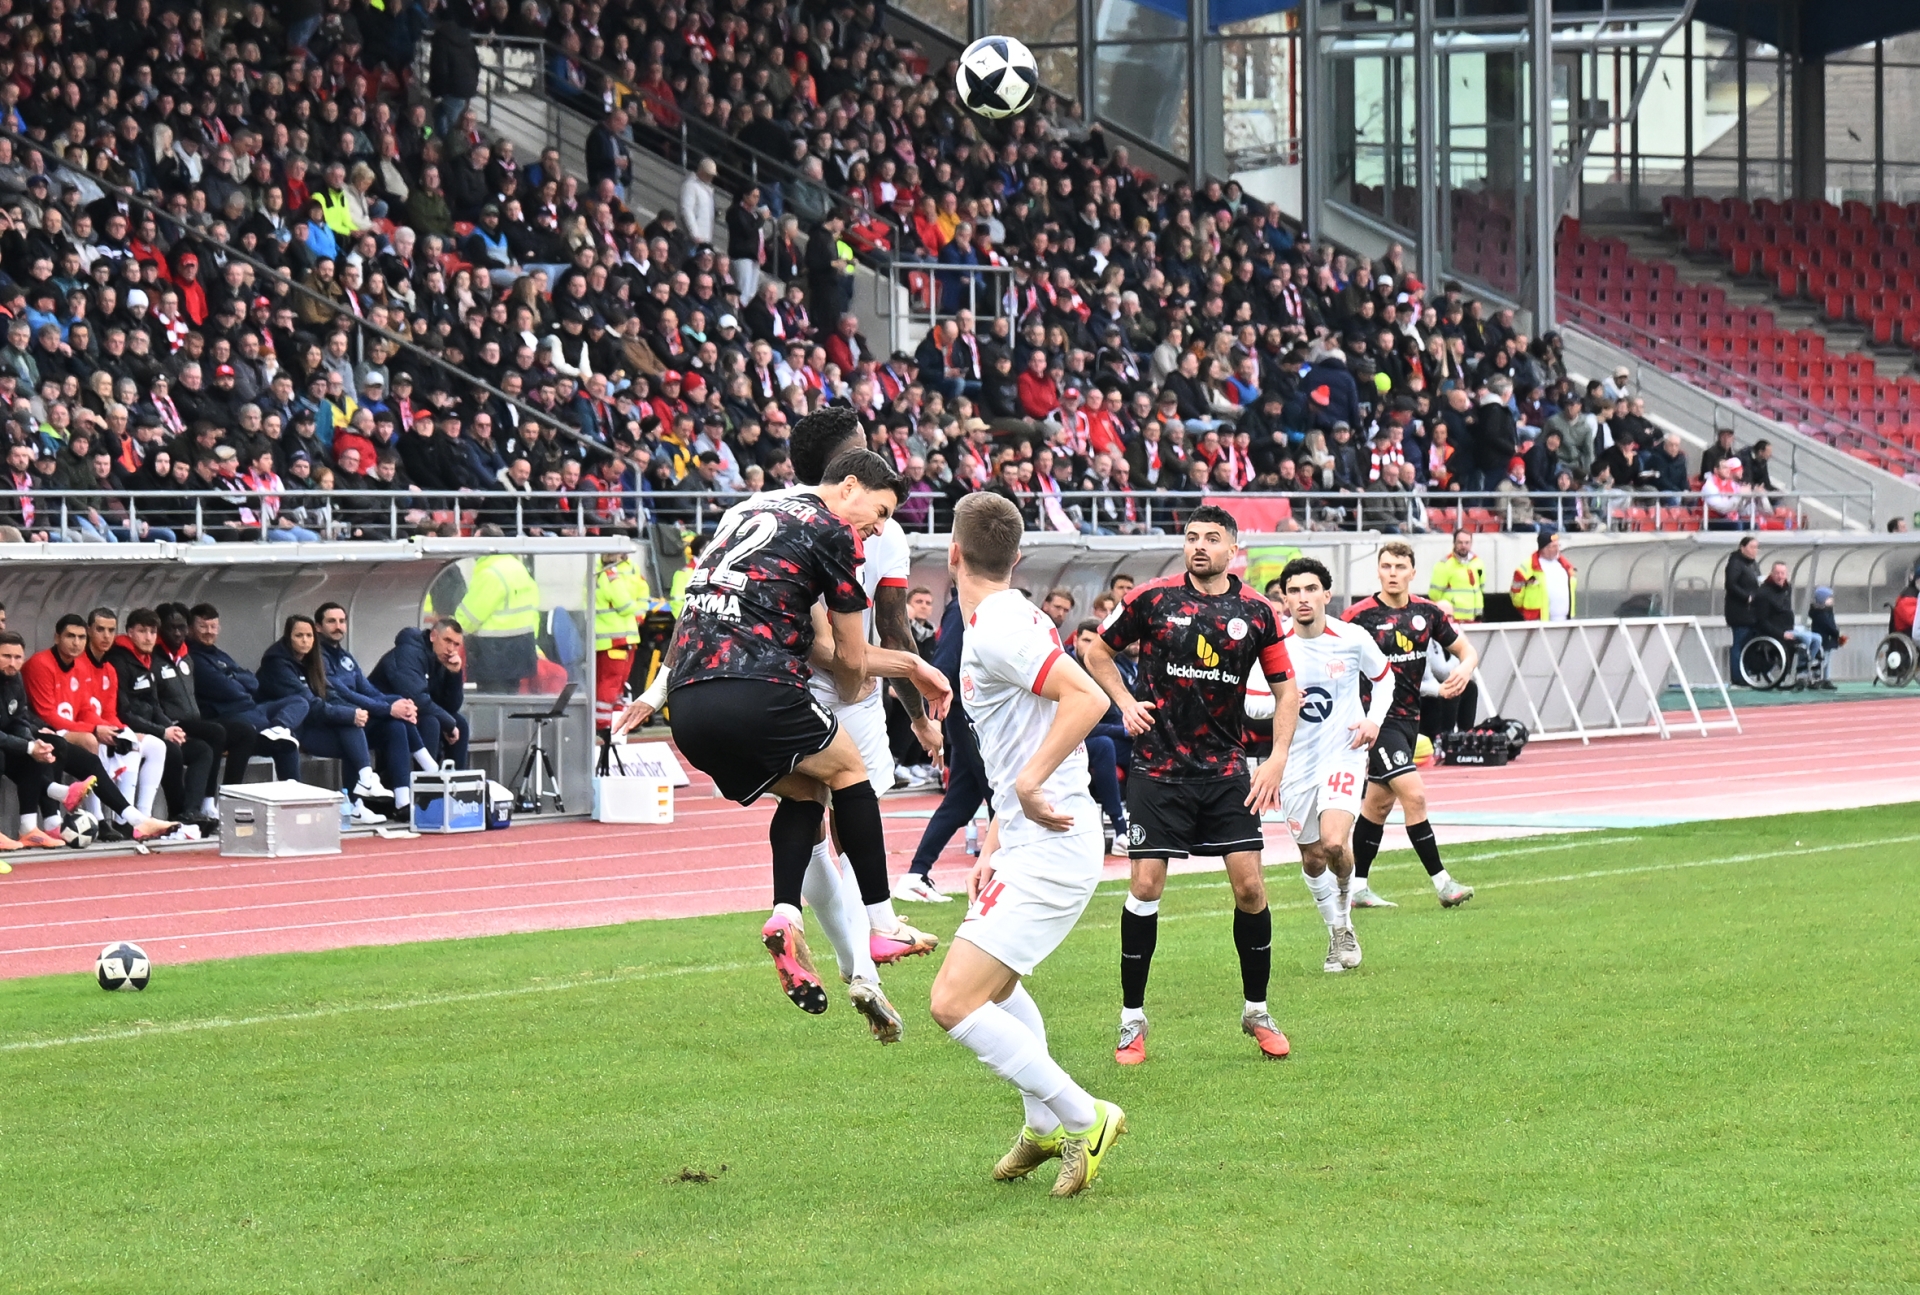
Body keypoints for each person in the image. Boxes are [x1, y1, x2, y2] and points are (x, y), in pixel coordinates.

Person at [626, 445, 949, 1036]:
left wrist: (654, 692)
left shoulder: (748, 512)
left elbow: (696, 611)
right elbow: (847, 662)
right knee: (849, 771)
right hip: (758, 689)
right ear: (848, 485)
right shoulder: (836, 532)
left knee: (806, 791)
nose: (879, 528)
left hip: (688, 707)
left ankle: (784, 913)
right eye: (879, 512)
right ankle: (881, 922)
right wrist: (910, 666)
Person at [926, 491, 1128, 1198]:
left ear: (953, 554)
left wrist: (1030, 784)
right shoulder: (1006, 616)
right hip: (1027, 838)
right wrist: (994, 836)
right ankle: (1042, 1124)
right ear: (1016, 558)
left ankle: (1085, 1115)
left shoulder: (998, 627)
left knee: (953, 1001)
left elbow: (1088, 699)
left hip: (1053, 840)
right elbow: (1015, 736)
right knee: (1000, 986)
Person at [1079, 505, 1301, 1065]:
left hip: (1226, 770)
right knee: (1145, 887)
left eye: (1212, 538)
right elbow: (1096, 650)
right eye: (1192, 537)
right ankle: (1132, 1020)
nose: (1200, 545)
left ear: (1233, 548)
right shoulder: (1152, 599)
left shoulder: (1257, 612)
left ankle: (1257, 1011)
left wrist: (1276, 758)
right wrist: (1124, 702)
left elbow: (1286, 690)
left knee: (1250, 889)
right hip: (1158, 770)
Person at [1341, 542, 1480, 909]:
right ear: (1378, 571)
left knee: (1377, 806)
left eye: (1400, 566)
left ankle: (1357, 888)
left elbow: (1467, 651)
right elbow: (1332, 659)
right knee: (1415, 796)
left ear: (1412, 573)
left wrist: (1465, 669)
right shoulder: (1358, 616)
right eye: (1386, 566)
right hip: (1376, 721)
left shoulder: (1427, 613)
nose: (1392, 573)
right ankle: (1443, 883)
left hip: (1408, 720)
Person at [1273, 557, 1394, 975]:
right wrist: (1283, 703)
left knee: (1334, 844)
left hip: (1344, 753)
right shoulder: (1275, 645)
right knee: (1311, 859)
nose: (1303, 597)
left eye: (1311, 589)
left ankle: (1344, 923)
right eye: (1294, 590)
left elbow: (1385, 679)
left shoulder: (1352, 637)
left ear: (1326, 594)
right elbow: (1251, 700)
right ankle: (1336, 930)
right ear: (1285, 598)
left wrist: (1373, 721)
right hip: (1294, 763)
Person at [1, 629, 177, 847]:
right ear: (57, 637)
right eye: (6, 656)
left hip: (27, 736)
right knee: (27, 751)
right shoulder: (40, 664)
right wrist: (30, 744)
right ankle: (54, 815)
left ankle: (135, 819)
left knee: (55, 748)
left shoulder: (15, 678)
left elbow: (18, 719)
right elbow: (42, 712)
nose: (12, 663)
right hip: (21, 738)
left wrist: (33, 741)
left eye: (17, 657)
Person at [259, 614, 391, 824]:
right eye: (299, 635)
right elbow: (310, 705)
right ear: (288, 637)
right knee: (346, 720)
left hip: (309, 726)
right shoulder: (277, 664)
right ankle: (362, 782)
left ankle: (357, 801)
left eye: (309, 636)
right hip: (285, 728)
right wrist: (348, 714)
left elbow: (329, 694)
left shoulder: (312, 661)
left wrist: (352, 712)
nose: (305, 640)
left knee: (351, 733)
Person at [104, 608, 220, 834]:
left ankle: (191, 811)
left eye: (152, 632)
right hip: (128, 731)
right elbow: (124, 712)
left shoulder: (147, 660)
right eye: (142, 631)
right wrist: (161, 731)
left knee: (201, 750)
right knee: (170, 750)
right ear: (130, 632)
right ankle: (174, 813)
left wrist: (170, 727)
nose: (148, 637)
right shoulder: (119, 662)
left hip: (153, 729)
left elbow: (154, 704)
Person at [315, 603, 434, 811]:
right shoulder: (317, 658)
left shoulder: (345, 656)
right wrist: (389, 709)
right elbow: (344, 695)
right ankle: (430, 767)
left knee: (397, 725)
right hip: (333, 724)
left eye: (342, 621)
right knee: (381, 718)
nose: (338, 626)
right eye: (331, 621)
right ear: (318, 627)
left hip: (359, 718)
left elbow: (369, 690)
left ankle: (403, 801)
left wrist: (399, 703)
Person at [186, 604, 307, 780]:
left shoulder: (219, 654)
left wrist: (233, 676)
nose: (209, 632)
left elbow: (253, 682)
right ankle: (277, 735)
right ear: (190, 628)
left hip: (253, 709)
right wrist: (237, 680)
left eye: (213, 626)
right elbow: (227, 690)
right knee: (287, 743)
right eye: (203, 627)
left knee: (299, 701)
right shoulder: (194, 657)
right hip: (230, 716)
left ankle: (277, 728)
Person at [371, 619, 470, 769]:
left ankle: (455, 780)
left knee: (459, 723)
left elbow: (451, 707)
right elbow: (417, 698)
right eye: (447, 641)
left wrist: (454, 675)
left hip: (411, 713)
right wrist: (449, 724)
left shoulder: (439, 658)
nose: (451, 649)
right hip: (380, 714)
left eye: (456, 644)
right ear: (433, 636)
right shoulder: (409, 653)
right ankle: (424, 781)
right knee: (431, 722)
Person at [453, 530, 540, 692]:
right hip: (521, 647)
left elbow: (469, 617)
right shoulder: (517, 566)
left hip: (493, 653)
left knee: (492, 702)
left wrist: (451, 630)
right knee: (510, 698)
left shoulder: (490, 573)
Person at [591, 553, 648, 729]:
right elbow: (624, 605)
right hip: (615, 638)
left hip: (620, 638)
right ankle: (603, 724)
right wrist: (636, 609)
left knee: (615, 684)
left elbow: (641, 592)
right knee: (610, 682)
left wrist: (637, 610)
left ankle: (612, 722)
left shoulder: (612, 570)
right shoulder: (607, 574)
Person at [1511, 529, 1577, 621]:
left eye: (1558, 545)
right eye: (1553, 546)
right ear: (1544, 548)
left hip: (1566, 620)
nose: (1557, 549)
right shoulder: (1527, 568)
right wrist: (1530, 614)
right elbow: (1516, 597)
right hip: (1539, 622)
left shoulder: (1565, 566)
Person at [1426, 529, 1487, 623]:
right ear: (1454, 543)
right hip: (1453, 620)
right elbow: (1434, 595)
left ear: (1471, 543)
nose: (1463, 546)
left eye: (1467, 542)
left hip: (1475, 618)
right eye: (1460, 542)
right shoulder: (1444, 564)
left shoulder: (1478, 562)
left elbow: (1481, 588)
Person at [1723, 535, 1761, 683]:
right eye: (1752, 547)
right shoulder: (1735, 563)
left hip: (1752, 612)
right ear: (1742, 548)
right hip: (1739, 612)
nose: (1755, 550)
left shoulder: (1753, 564)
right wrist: (1746, 597)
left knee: (1748, 643)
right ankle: (1738, 676)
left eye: (1756, 547)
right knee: (1739, 642)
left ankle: (1746, 672)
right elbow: (1731, 584)